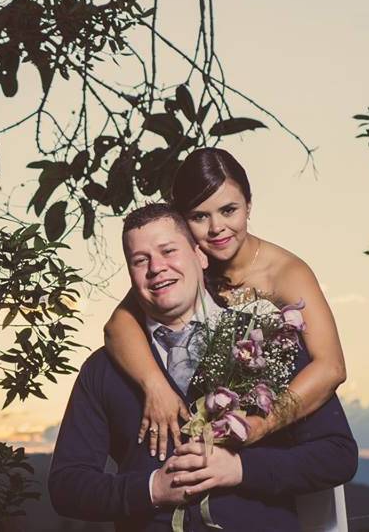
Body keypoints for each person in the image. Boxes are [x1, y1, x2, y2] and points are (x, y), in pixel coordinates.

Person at [47, 203, 357, 531]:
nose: (156, 268)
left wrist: (240, 469)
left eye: (168, 251)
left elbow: (337, 456)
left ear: (200, 256)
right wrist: (150, 489)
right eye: (140, 260)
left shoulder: (266, 341)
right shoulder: (103, 370)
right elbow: (67, 486)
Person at [103, 148, 347, 459]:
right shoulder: (182, 268)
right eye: (200, 216)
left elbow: (331, 367)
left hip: (281, 442)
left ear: (248, 206)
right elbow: (117, 326)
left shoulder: (286, 273)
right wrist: (155, 385)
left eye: (228, 210)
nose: (216, 227)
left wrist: (258, 425)